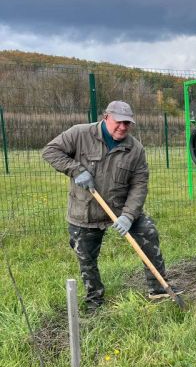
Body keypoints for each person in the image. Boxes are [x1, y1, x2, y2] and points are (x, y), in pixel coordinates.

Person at [42, 101, 180, 313]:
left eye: (127, 123)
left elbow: (139, 186)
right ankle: (95, 300)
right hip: (85, 211)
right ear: (106, 117)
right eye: (119, 122)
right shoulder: (80, 134)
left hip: (120, 208)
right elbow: (50, 151)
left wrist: (129, 215)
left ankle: (159, 288)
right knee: (86, 258)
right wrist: (76, 169)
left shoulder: (135, 149)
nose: (123, 127)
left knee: (148, 232)